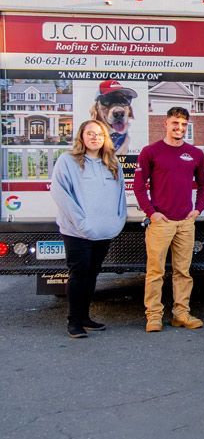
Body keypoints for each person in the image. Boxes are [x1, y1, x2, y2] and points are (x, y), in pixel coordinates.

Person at [133, 107, 204, 333]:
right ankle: (154, 316)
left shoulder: (195, 154)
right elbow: (138, 187)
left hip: (186, 222)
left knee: (183, 272)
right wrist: (151, 213)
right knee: (155, 272)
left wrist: (197, 210)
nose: (179, 128)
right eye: (175, 123)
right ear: (165, 124)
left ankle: (181, 313)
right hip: (161, 223)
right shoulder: (151, 152)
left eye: (184, 124)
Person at [51, 120, 127, 339]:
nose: (95, 138)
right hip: (77, 231)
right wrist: (81, 223)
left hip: (103, 230)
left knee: (92, 274)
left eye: (100, 134)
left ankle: (85, 317)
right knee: (79, 273)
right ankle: (74, 321)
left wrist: (118, 219)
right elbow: (60, 193)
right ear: (81, 137)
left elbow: (120, 193)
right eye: (90, 134)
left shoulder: (111, 163)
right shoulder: (68, 161)